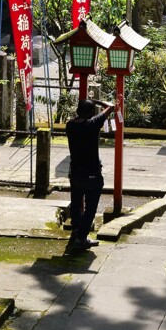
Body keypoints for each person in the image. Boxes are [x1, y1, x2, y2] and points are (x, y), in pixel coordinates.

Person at [65, 97, 115, 250]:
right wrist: (96, 101)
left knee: (76, 203)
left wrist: (89, 102)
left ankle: (76, 231)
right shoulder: (93, 124)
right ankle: (82, 237)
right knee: (90, 207)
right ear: (92, 112)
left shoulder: (70, 125)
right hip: (92, 173)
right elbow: (111, 106)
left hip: (75, 172)